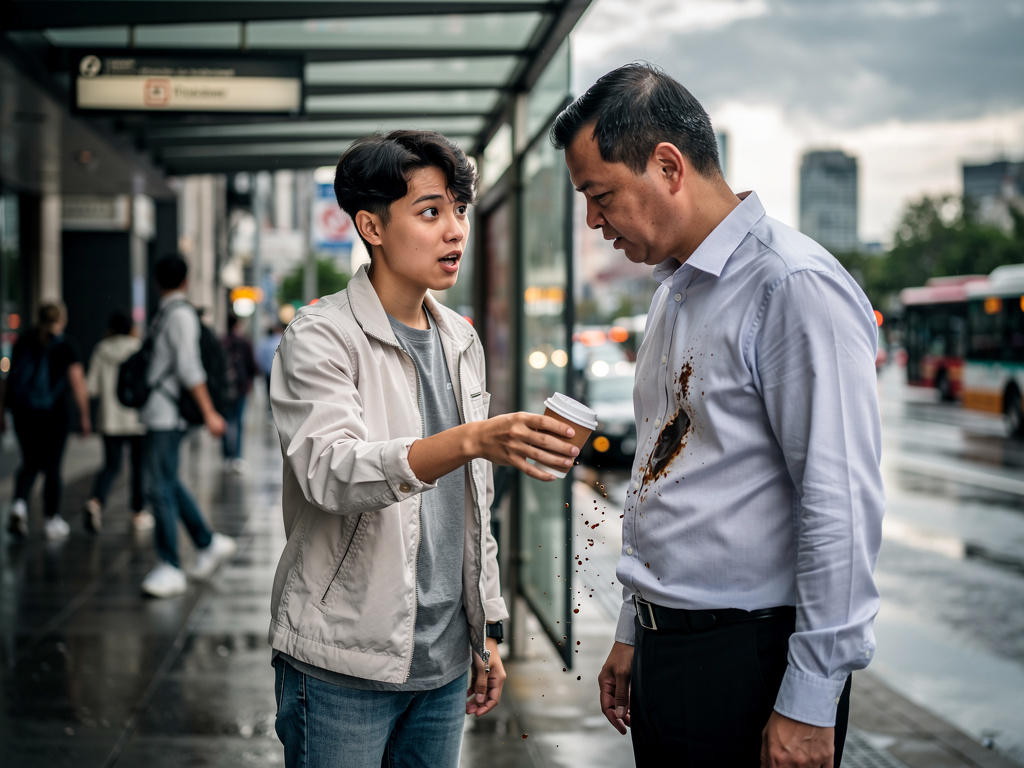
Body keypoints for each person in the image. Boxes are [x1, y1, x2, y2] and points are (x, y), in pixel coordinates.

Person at [551, 63, 885, 768]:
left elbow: (840, 506)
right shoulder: (673, 292)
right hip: (670, 653)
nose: (593, 219)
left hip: (750, 660)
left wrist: (810, 699)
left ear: (668, 166)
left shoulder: (793, 287)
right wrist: (634, 628)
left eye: (599, 194)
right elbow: (663, 478)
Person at [268, 130, 580, 768]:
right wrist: (471, 439)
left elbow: (474, 509)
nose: (455, 230)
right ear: (371, 226)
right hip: (342, 663)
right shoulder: (321, 337)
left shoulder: (459, 338)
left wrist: (486, 629)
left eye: (459, 211)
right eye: (431, 211)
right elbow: (331, 473)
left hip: (441, 665)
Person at [139, 254, 236, 598]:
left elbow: (188, 367)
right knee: (167, 482)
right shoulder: (172, 313)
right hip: (161, 413)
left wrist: (209, 412)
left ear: (157, 280)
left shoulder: (177, 316)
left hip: (167, 415)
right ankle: (207, 542)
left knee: (158, 487)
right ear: (185, 280)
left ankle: (170, 565)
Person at [3, 302, 91, 540]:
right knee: (52, 465)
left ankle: (19, 506)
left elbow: (8, 378)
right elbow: (77, 383)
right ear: (61, 319)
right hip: (55, 416)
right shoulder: (66, 345)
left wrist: (2, 412)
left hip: (23, 414)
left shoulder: (24, 340)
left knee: (30, 462)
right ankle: (52, 519)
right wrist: (84, 416)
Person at [83, 309, 153, 533]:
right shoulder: (137, 348)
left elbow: (91, 387)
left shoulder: (101, 350)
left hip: (109, 419)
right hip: (136, 419)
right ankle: (137, 512)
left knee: (111, 466)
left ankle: (95, 502)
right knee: (137, 467)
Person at [221, 314, 257, 471]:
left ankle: (226, 455)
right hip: (241, 387)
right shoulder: (244, 341)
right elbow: (252, 365)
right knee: (238, 421)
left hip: (224, 388)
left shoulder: (222, 341)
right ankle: (236, 456)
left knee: (226, 420)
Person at [255, 324, 282, 412]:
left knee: (269, 390)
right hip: (279, 372)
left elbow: (260, 358)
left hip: (268, 371)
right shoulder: (281, 340)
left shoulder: (265, 343)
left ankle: (270, 408)